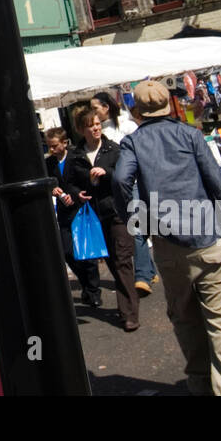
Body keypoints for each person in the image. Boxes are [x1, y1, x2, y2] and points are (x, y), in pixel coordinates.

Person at [114, 80, 221, 395]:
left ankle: (201, 386)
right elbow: (218, 183)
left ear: (138, 111)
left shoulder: (133, 143)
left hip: (167, 242)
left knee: (185, 318)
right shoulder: (189, 135)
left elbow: (122, 179)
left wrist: (137, 220)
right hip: (206, 237)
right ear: (169, 106)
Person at [65, 109, 140, 330]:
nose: (97, 128)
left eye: (98, 124)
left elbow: (125, 176)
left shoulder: (113, 149)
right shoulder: (75, 156)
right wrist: (77, 193)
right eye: (91, 125)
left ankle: (129, 314)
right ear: (81, 129)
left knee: (122, 260)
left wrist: (106, 172)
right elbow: (69, 182)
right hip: (93, 216)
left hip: (117, 212)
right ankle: (126, 305)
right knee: (112, 262)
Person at [93, 92, 159, 296]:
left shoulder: (126, 126)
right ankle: (149, 269)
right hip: (113, 188)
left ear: (106, 107)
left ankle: (141, 277)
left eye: (95, 107)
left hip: (134, 184)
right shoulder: (97, 131)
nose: (93, 113)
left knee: (136, 228)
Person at [45, 127, 102, 307]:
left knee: (87, 255)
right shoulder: (49, 164)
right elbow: (49, 182)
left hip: (80, 210)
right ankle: (86, 284)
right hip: (64, 213)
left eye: (54, 146)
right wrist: (53, 190)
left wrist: (74, 194)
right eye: (49, 146)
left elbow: (86, 182)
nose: (51, 150)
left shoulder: (76, 158)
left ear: (64, 143)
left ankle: (93, 291)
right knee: (67, 251)